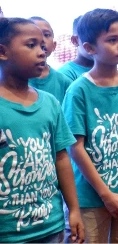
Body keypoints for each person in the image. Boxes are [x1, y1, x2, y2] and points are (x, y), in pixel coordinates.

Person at [63, 9, 118, 244]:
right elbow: (75, 147)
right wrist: (105, 194)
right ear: (89, 48)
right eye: (112, 40)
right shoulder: (78, 90)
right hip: (91, 197)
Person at [0, 18, 85, 244]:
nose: (42, 52)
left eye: (42, 46)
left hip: (51, 225)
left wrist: (74, 210)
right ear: (3, 52)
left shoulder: (50, 103)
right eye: (31, 45)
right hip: (8, 233)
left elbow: (61, 157)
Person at [28, 16, 72, 104]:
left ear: (54, 45)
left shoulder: (64, 82)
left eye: (46, 35)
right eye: (33, 34)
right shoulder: (12, 80)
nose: (42, 39)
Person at [58, 16, 94, 83]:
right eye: (91, 38)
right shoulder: (65, 74)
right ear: (75, 40)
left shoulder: (110, 70)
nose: (98, 43)